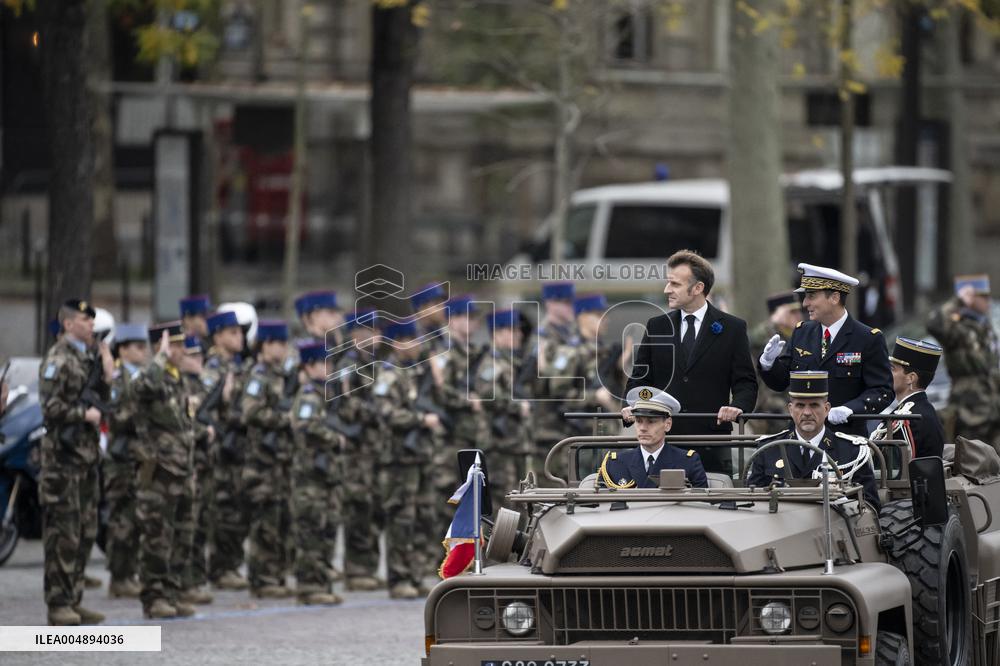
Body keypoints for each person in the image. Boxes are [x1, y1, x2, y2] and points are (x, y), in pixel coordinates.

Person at [624, 250, 758, 472]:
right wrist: (630, 405)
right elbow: (640, 379)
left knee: (713, 504)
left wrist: (737, 407)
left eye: (675, 284)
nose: (667, 290)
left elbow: (746, 382)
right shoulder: (657, 326)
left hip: (712, 442)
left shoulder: (732, 328)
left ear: (698, 288)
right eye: (668, 283)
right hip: (664, 441)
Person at [38, 299, 113, 626]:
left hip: (85, 460)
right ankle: (58, 604)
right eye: (84, 319)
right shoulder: (58, 359)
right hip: (63, 462)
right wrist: (83, 414)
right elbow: (50, 408)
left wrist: (108, 378)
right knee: (63, 534)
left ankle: (74, 599)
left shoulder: (87, 358)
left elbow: (102, 402)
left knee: (85, 532)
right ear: (68, 324)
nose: (90, 325)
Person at [759, 263, 893, 438]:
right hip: (801, 439)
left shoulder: (867, 338)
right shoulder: (801, 332)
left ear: (835, 297)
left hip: (845, 440)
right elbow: (781, 382)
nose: (805, 303)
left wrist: (850, 409)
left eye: (811, 296)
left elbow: (882, 391)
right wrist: (768, 363)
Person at [372, 320, 444, 599]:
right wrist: (419, 420)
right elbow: (386, 413)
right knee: (401, 518)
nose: (418, 345)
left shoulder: (416, 373)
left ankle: (415, 574)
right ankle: (399, 577)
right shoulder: (389, 376)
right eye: (412, 340)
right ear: (398, 343)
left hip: (421, 457)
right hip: (399, 460)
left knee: (423, 516)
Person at [132, 322, 197, 619]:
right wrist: (159, 357)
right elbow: (141, 387)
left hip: (182, 471)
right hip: (159, 473)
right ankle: (154, 596)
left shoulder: (177, 379)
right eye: (177, 345)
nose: (183, 351)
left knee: (182, 536)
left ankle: (172, 591)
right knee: (157, 537)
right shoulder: (151, 377)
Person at [747, 371, 880, 508]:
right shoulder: (769, 449)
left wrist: (845, 506)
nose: (807, 413)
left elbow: (870, 505)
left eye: (814, 405)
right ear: (791, 410)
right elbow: (751, 501)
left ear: (827, 409)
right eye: (800, 405)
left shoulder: (851, 451)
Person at [239, 320, 295, 598]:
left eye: (284, 343)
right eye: (277, 343)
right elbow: (249, 412)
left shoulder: (282, 376)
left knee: (281, 519)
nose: (282, 349)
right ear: (264, 344)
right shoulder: (259, 376)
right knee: (265, 522)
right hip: (262, 461)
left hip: (281, 461)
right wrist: (283, 419)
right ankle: (261, 579)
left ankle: (276, 574)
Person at [332, 308, 385, 592]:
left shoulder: (373, 365)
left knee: (373, 507)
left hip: (372, 449)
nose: (374, 337)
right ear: (355, 335)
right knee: (358, 508)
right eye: (368, 331)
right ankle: (356, 569)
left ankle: (368, 566)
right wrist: (374, 412)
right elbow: (346, 405)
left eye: (376, 331)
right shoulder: (348, 366)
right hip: (355, 450)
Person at [289, 340, 344, 606]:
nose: (328, 368)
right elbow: (304, 426)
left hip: (325, 477)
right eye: (324, 363)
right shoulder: (309, 395)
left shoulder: (322, 394)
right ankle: (309, 586)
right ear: (310, 366)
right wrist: (333, 438)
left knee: (326, 530)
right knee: (311, 531)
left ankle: (321, 582)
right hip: (310, 477)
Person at [202, 310, 249, 591]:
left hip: (239, 450)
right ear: (218, 336)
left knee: (237, 509)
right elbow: (205, 410)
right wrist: (227, 401)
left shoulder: (239, 367)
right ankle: (221, 568)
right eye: (232, 332)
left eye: (240, 332)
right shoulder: (212, 369)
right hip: (222, 450)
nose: (239, 337)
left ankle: (230, 564)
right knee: (223, 510)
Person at [926, 274, 1000, 447]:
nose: (987, 301)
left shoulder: (985, 326)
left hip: (993, 411)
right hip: (970, 413)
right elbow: (934, 324)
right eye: (983, 297)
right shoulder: (957, 326)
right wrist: (958, 301)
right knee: (973, 462)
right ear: (971, 298)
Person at [103, 322, 149, 599]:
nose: (143, 351)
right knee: (122, 519)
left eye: (145, 346)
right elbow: (116, 417)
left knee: (135, 518)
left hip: (138, 458)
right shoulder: (119, 380)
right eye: (137, 347)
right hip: (121, 459)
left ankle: (129, 573)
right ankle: (119, 576)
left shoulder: (140, 377)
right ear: (122, 349)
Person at [475, 308, 533, 512]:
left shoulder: (512, 363)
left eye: (518, 330)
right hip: (499, 447)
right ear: (497, 334)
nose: (518, 335)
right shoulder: (492, 363)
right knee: (504, 507)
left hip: (514, 445)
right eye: (511, 330)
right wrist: (517, 405)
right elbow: (489, 395)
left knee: (519, 504)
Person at [600, 387, 707, 489]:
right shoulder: (615, 463)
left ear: (668, 424)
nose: (642, 428)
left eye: (651, 421)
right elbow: (599, 504)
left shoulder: (688, 462)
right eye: (639, 421)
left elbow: (701, 504)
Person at [177, 335, 215, 606]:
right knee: (185, 525)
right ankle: (184, 582)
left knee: (200, 524)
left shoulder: (199, 384)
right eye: (192, 356)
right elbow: (182, 422)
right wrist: (204, 430)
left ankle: (195, 579)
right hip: (184, 463)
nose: (198, 361)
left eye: (200, 356)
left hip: (202, 462)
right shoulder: (181, 385)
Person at [871, 337, 946, 460]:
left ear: (910, 378)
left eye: (893, 369)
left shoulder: (907, 419)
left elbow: (888, 468)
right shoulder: (924, 409)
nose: (887, 374)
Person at [749, 291, 805, 434]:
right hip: (769, 407)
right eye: (792, 312)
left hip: (794, 402)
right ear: (777, 314)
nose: (799, 316)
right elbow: (751, 343)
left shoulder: (798, 334)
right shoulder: (765, 335)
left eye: (799, 311)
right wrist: (772, 322)